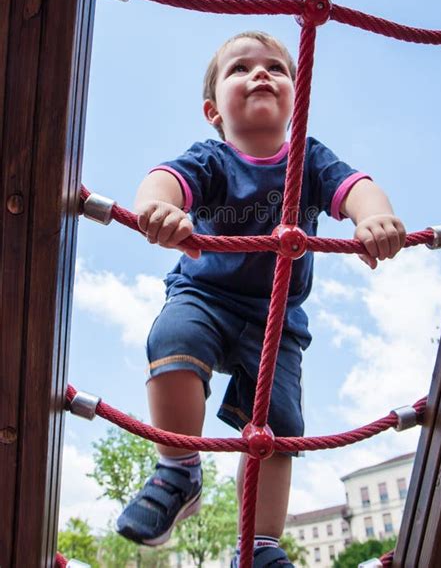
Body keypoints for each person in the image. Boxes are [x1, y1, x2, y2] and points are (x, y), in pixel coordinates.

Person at [117, 31, 406, 566]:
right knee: (171, 340)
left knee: (275, 429)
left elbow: (357, 186)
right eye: (240, 69)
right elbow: (164, 181)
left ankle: (259, 544)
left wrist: (374, 215)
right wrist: (159, 208)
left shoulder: (307, 160)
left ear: (295, 98)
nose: (260, 74)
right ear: (212, 110)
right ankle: (178, 468)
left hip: (277, 318)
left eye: (276, 67)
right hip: (204, 295)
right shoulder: (212, 159)